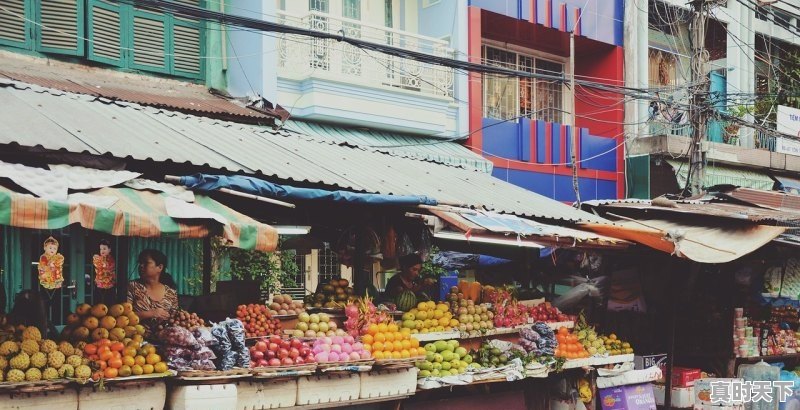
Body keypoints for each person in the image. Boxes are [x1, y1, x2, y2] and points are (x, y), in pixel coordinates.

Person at [127, 249, 178, 333]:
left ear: (160, 267)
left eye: (146, 263)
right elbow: (123, 317)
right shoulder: (132, 286)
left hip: (163, 340)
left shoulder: (171, 292)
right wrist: (150, 313)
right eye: (140, 262)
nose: (141, 266)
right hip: (135, 340)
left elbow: (175, 320)